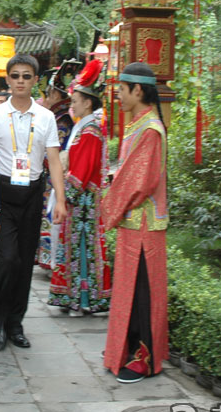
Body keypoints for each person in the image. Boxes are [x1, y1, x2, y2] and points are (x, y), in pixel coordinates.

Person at [0, 54, 66, 351]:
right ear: (7, 80)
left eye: (26, 76)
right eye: (15, 76)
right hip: (2, 192)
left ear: (35, 81)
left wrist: (60, 201)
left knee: (25, 263)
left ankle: (15, 322)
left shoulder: (45, 118)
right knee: (7, 259)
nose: (20, 81)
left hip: (32, 192)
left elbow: (54, 160)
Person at [101, 62, 169, 384]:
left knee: (142, 293)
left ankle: (144, 358)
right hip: (134, 222)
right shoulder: (137, 126)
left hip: (144, 226)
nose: (118, 95)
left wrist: (108, 206)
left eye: (122, 89)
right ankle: (126, 351)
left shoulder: (150, 129)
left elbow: (139, 181)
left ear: (137, 90)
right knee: (130, 289)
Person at [48, 60, 112, 315]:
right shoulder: (85, 128)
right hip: (80, 199)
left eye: (75, 101)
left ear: (87, 102)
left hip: (83, 201)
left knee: (81, 247)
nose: (71, 105)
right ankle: (79, 296)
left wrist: (64, 196)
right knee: (77, 248)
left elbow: (82, 172)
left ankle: (84, 297)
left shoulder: (90, 131)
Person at [37, 60, 82, 270]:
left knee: (51, 213)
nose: (46, 97)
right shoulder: (58, 117)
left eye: (49, 93)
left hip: (53, 175)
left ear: (56, 94)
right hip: (49, 174)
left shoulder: (61, 120)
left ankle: (50, 259)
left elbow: (55, 153)